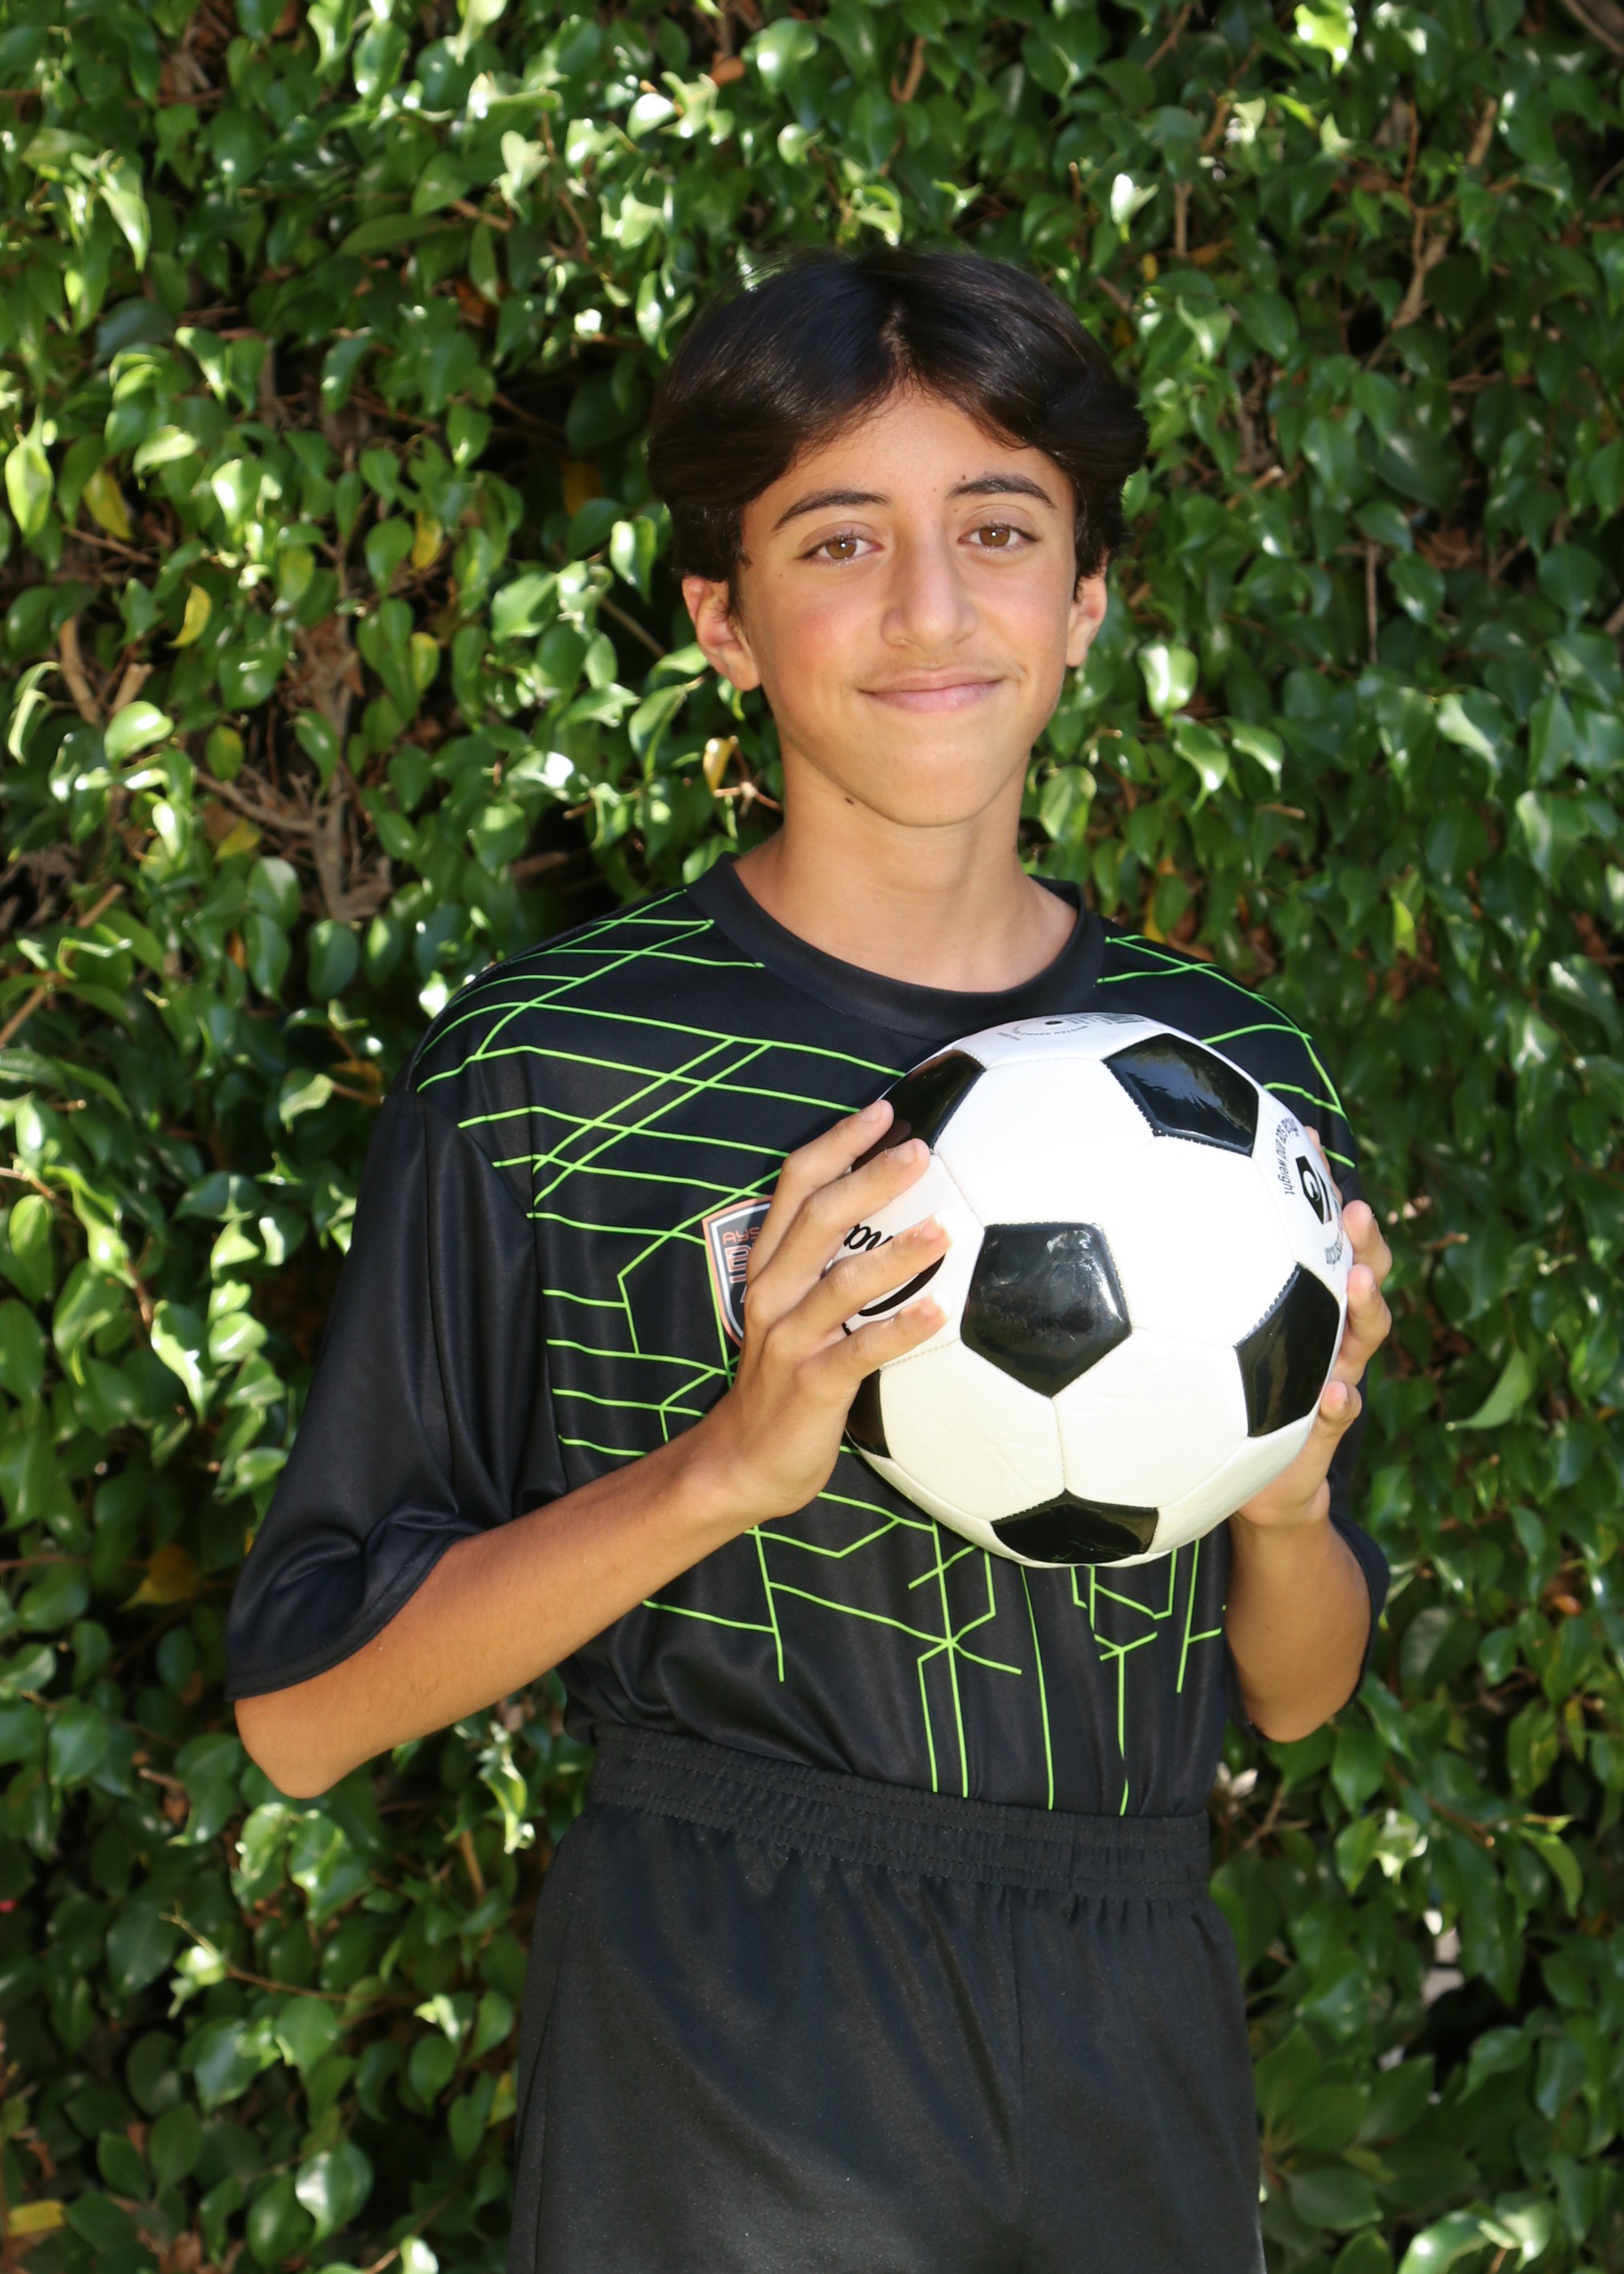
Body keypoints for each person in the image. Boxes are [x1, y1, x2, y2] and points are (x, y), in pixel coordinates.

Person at [226, 247, 1396, 2274]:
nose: (930, 607)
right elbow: (302, 1711)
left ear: (1085, 595)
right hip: (732, 2022)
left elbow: (1296, 1695)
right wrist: (725, 1467)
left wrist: (1289, 1503)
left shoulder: (1232, 1081)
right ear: (722, 615)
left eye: (998, 529)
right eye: (840, 540)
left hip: (1131, 2019)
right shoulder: (551, 1068)